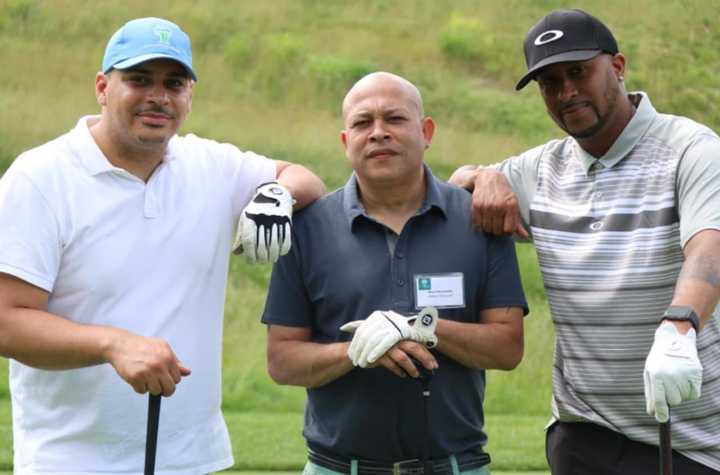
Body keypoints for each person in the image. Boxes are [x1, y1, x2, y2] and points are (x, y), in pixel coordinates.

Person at [0, 17, 325, 474]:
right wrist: (112, 344)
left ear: (189, 96)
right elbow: (7, 322)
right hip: (70, 458)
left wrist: (278, 195)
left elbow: (304, 177)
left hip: (191, 457)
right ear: (102, 86)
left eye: (174, 83)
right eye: (138, 79)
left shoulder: (210, 165)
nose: (158, 96)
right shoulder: (40, 179)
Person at [449, 9, 720, 475]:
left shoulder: (691, 148)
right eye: (550, 82)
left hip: (692, 439)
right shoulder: (537, 170)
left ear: (617, 66)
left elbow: (709, 246)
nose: (566, 92)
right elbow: (447, 198)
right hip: (582, 434)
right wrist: (478, 175)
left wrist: (679, 327)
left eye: (578, 72)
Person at [261, 71, 528, 475]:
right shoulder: (306, 227)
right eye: (363, 122)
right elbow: (282, 360)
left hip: (456, 465)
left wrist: (417, 327)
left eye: (395, 119)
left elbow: (507, 348)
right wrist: (357, 350)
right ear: (345, 141)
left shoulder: (477, 219)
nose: (378, 133)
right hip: (337, 467)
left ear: (426, 132)